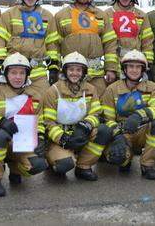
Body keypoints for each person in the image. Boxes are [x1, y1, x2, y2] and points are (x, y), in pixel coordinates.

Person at [0, 53, 48, 197]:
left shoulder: (35, 96)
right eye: (13, 73)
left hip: (22, 142)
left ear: (27, 75)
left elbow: (40, 122)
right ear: (5, 74)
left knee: (38, 165)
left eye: (22, 73)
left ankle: (16, 169)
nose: (18, 77)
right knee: (0, 136)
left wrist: (40, 137)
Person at [41, 52, 112, 181]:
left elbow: (96, 113)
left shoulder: (90, 89)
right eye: (71, 69)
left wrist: (85, 126)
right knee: (64, 165)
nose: (75, 73)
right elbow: (48, 122)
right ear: (65, 71)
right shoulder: (53, 91)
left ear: (84, 72)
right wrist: (63, 139)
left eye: (79, 70)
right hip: (60, 136)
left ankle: (83, 166)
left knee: (103, 131)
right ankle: (52, 161)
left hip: (82, 132)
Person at [101, 50, 155, 180]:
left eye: (138, 67)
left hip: (144, 129)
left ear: (143, 70)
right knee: (118, 158)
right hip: (122, 131)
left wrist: (139, 116)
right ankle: (126, 159)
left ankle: (147, 165)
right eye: (130, 66)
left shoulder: (152, 87)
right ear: (124, 69)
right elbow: (107, 119)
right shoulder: (112, 89)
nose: (134, 70)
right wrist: (118, 136)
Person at [0, 0, 60, 90]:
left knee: (40, 103)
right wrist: (0, 63)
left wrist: (53, 67)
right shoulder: (9, 15)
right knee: (14, 105)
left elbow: (52, 43)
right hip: (14, 71)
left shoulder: (47, 16)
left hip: (38, 72)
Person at [55, 0, 118, 96]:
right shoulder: (61, 16)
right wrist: (55, 69)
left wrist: (111, 68)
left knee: (99, 102)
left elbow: (110, 43)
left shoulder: (101, 15)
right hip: (71, 73)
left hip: (96, 74)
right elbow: (54, 45)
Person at [105, 0, 154, 64]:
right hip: (115, 61)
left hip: (136, 61)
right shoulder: (107, 14)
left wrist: (147, 62)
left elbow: (147, 40)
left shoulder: (141, 15)